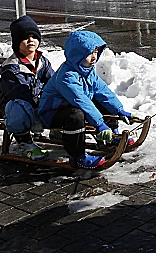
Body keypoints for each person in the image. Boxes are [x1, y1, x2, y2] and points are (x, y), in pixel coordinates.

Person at [38, 30, 136, 169]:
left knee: (100, 100)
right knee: (76, 115)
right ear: (77, 54)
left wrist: (119, 110)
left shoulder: (87, 71)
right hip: (52, 112)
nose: (94, 57)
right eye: (90, 53)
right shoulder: (67, 77)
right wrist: (99, 124)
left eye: (96, 52)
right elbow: (81, 100)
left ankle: (112, 136)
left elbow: (103, 92)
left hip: (71, 107)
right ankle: (77, 156)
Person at [0, 15, 55, 161]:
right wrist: (42, 101)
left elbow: (52, 82)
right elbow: (19, 93)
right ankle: (24, 141)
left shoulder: (42, 62)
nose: (31, 40)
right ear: (17, 42)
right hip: (13, 107)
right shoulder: (11, 68)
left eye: (34, 36)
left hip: (37, 102)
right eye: (25, 37)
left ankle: (58, 132)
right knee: (19, 107)